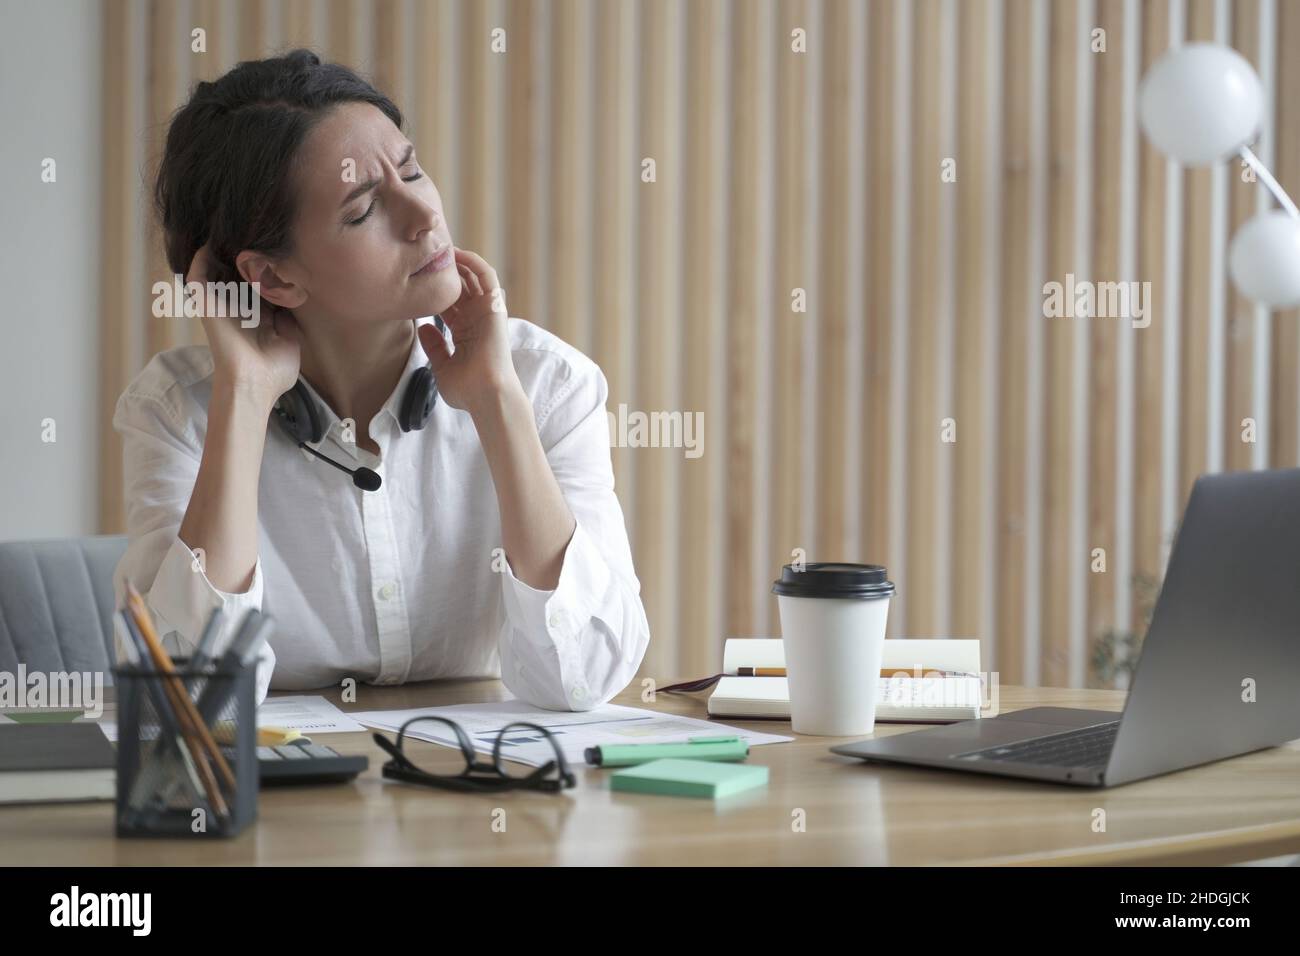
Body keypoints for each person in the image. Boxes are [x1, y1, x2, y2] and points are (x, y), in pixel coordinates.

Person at [112, 49, 650, 711]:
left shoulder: (549, 383)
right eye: (363, 211)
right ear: (274, 277)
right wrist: (246, 399)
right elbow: (188, 701)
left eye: (413, 171)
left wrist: (496, 401)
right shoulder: (176, 411)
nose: (423, 216)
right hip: (291, 810)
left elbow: (583, 680)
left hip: (483, 794)